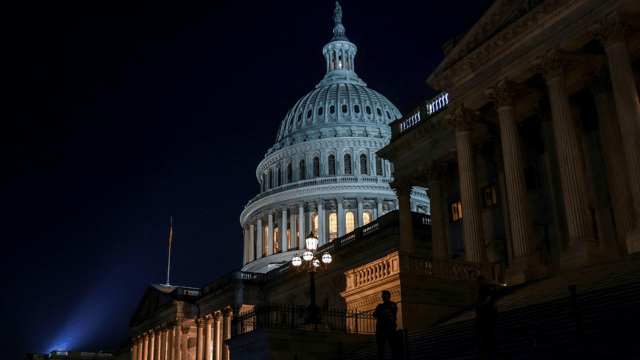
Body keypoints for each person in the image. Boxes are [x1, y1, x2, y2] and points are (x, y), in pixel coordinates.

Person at [372, 290, 400, 360]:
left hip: (390, 329)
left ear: (389, 296)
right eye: (382, 295)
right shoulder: (380, 306)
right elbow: (374, 314)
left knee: (393, 348)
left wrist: (381, 313)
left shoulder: (392, 305)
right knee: (381, 350)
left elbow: (392, 313)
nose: (383, 297)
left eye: (384, 295)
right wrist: (385, 312)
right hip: (381, 330)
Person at [476, 275, 497, 355]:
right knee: (484, 330)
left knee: (487, 330)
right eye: (479, 281)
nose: (481, 282)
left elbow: (489, 297)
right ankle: (486, 348)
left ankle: (490, 348)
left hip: (489, 309)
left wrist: (483, 304)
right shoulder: (480, 289)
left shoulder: (489, 287)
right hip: (483, 311)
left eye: (481, 280)